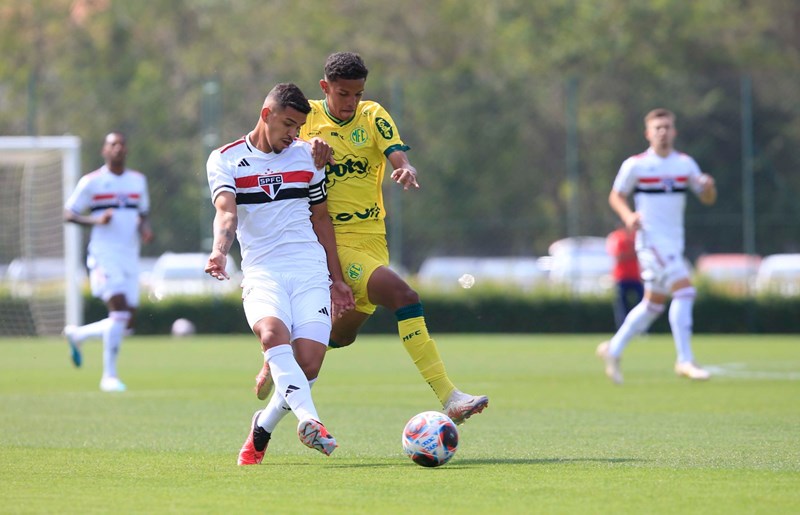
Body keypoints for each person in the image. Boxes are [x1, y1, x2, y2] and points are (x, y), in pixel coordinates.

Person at [253, 52, 488, 424]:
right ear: (325, 88)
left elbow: (397, 155)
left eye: (357, 94)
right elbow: (273, 147)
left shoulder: (373, 115)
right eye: (343, 94)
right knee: (404, 297)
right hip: (333, 240)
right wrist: (307, 148)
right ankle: (450, 396)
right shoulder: (306, 117)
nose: (350, 103)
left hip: (373, 239)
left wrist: (406, 169)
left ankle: (279, 360)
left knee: (341, 337)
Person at [205, 83, 355, 465]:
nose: (294, 134)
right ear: (266, 114)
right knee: (272, 335)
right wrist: (219, 252)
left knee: (308, 364)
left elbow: (321, 218)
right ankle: (310, 420)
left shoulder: (308, 156)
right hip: (263, 272)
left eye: (299, 127)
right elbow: (226, 213)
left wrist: (337, 280)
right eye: (288, 124)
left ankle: (263, 426)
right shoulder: (225, 160)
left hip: (308, 269)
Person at [596, 108, 717, 384]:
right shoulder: (636, 165)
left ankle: (613, 349)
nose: (663, 132)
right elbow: (616, 195)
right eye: (657, 128)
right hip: (651, 241)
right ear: (648, 133)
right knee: (685, 290)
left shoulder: (685, 164)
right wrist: (628, 216)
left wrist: (709, 186)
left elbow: (707, 197)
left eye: (667, 127)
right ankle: (685, 359)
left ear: (674, 131)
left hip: (674, 242)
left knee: (653, 305)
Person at [63, 132, 153, 392]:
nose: (118, 148)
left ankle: (78, 335)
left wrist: (145, 229)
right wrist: (95, 220)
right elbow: (69, 213)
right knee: (119, 312)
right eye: (113, 144)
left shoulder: (138, 181)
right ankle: (109, 377)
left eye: (122, 144)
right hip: (104, 255)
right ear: (104, 150)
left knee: (127, 323)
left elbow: (143, 213)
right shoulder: (92, 182)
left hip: (129, 256)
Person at [606, 224, 643, 329]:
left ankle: (641, 328)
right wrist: (632, 253)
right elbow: (619, 256)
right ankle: (623, 329)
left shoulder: (636, 236)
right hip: (621, 277)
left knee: (643, 305)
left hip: (636, 277)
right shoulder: (616, 237)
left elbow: (641, 253)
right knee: (622, 307)